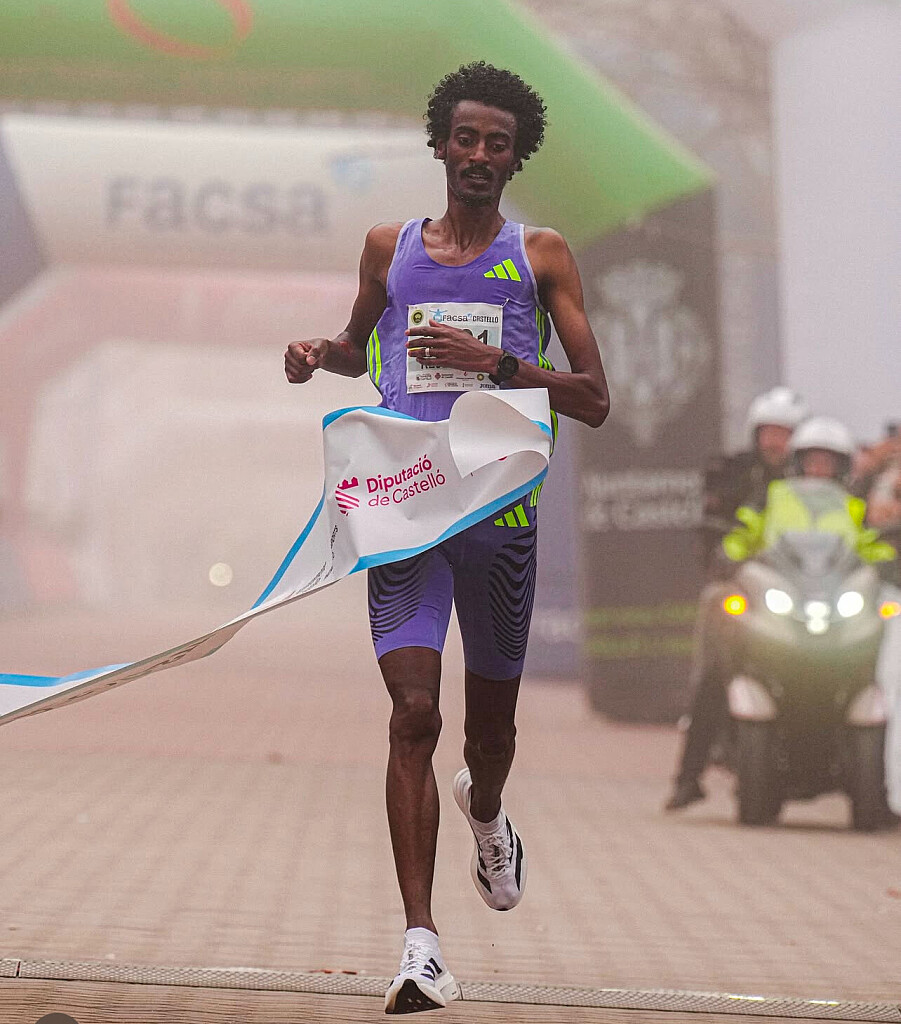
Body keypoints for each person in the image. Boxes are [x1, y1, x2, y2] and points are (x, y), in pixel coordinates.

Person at [284, 62, 609, 1014]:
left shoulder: (539, 254)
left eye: (495, 144)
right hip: (406, 512)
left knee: (488, 736)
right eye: (463, 138)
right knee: (412, 715)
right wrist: (315, 355)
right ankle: (420, 947)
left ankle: (487, 807)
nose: (476, 154)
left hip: (499, 517)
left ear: (513, 159)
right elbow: (357, 350)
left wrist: (498, 365)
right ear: (439, 145)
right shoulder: (388, 248)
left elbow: (593, 398)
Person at [666, 415, 896, 814]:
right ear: (798, 462)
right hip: (784, 607)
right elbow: (745, 534)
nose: (818, 470)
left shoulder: (854, 507)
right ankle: (691, 773)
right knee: (717, 667)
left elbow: (869, 547)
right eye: (812, 460)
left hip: (833, 610)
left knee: (884, 667)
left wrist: (885, 559)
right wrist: (729, 552)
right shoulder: (772, 499)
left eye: (828, 462)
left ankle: (883, 792)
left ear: (841, 467)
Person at [666, 386, 807, 811]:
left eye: (784, 433)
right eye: (769, 432)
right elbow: (711, 531)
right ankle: (688, 777)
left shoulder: (811, 480)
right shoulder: (733, 472)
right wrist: (722, 558)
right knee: (716, 667)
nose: (775, 441)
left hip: (803, 593)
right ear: (755, 433)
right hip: (743, 586)